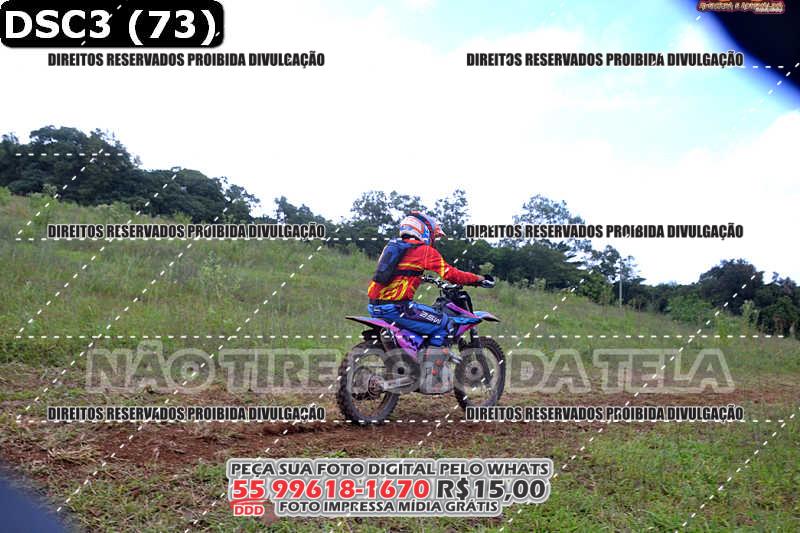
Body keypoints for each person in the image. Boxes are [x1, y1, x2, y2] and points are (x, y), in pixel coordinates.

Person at [367, 211, 493, 347]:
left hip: (374, 307)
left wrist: (419, 278)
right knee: (446, 323)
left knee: (425, 321)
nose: (434, 240)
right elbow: (451, 274)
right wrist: (479, 279)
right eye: (434, 236)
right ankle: (433, 361)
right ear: (424, 230)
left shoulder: (393, 248)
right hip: (397, 309)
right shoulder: (424, 251)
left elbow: (395, 273)